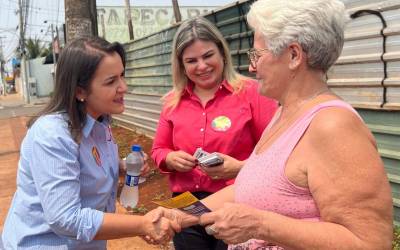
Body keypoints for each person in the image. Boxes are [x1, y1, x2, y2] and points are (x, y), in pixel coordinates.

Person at [193, 0, 393, 249]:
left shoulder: (333, 126)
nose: (251, 66)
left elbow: (371, 242)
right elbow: (254, 189)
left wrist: (260, 225)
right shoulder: (284, 113)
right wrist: (186, 214)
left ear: (294, 55)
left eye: (257, 54)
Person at [1, 37, 189, 249]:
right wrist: (142, 224)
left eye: (122, 76)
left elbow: (88, 167)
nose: (123, 87)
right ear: (79, 91)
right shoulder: (53, 136)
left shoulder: (101, 123)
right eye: (111, 82)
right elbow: (66, 218)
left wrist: (123, 167)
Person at [151, 17, 277, 250]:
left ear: (222, 53)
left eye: (208, 56)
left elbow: (274, 154)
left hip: (237, 200)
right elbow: (159, 151)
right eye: (191, 60)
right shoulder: (171, 102)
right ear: (181, 64)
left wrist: (239, 167)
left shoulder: (252, 93)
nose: (202, 66)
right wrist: (170, 158)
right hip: (186, 202)